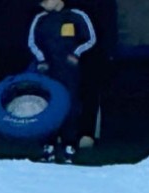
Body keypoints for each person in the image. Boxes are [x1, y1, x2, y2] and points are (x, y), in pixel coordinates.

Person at [28, 0, 97, 163]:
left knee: (70, 105)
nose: (43, 4)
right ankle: (48, 146)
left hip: (69, 71)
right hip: (47, 70)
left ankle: (69, 146)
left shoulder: (77, 15)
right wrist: (42, 59)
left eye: (46, 1)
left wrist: (76, 54)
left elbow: (90, 38)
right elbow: (32, 42)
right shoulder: (40, 18)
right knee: (47, 105)